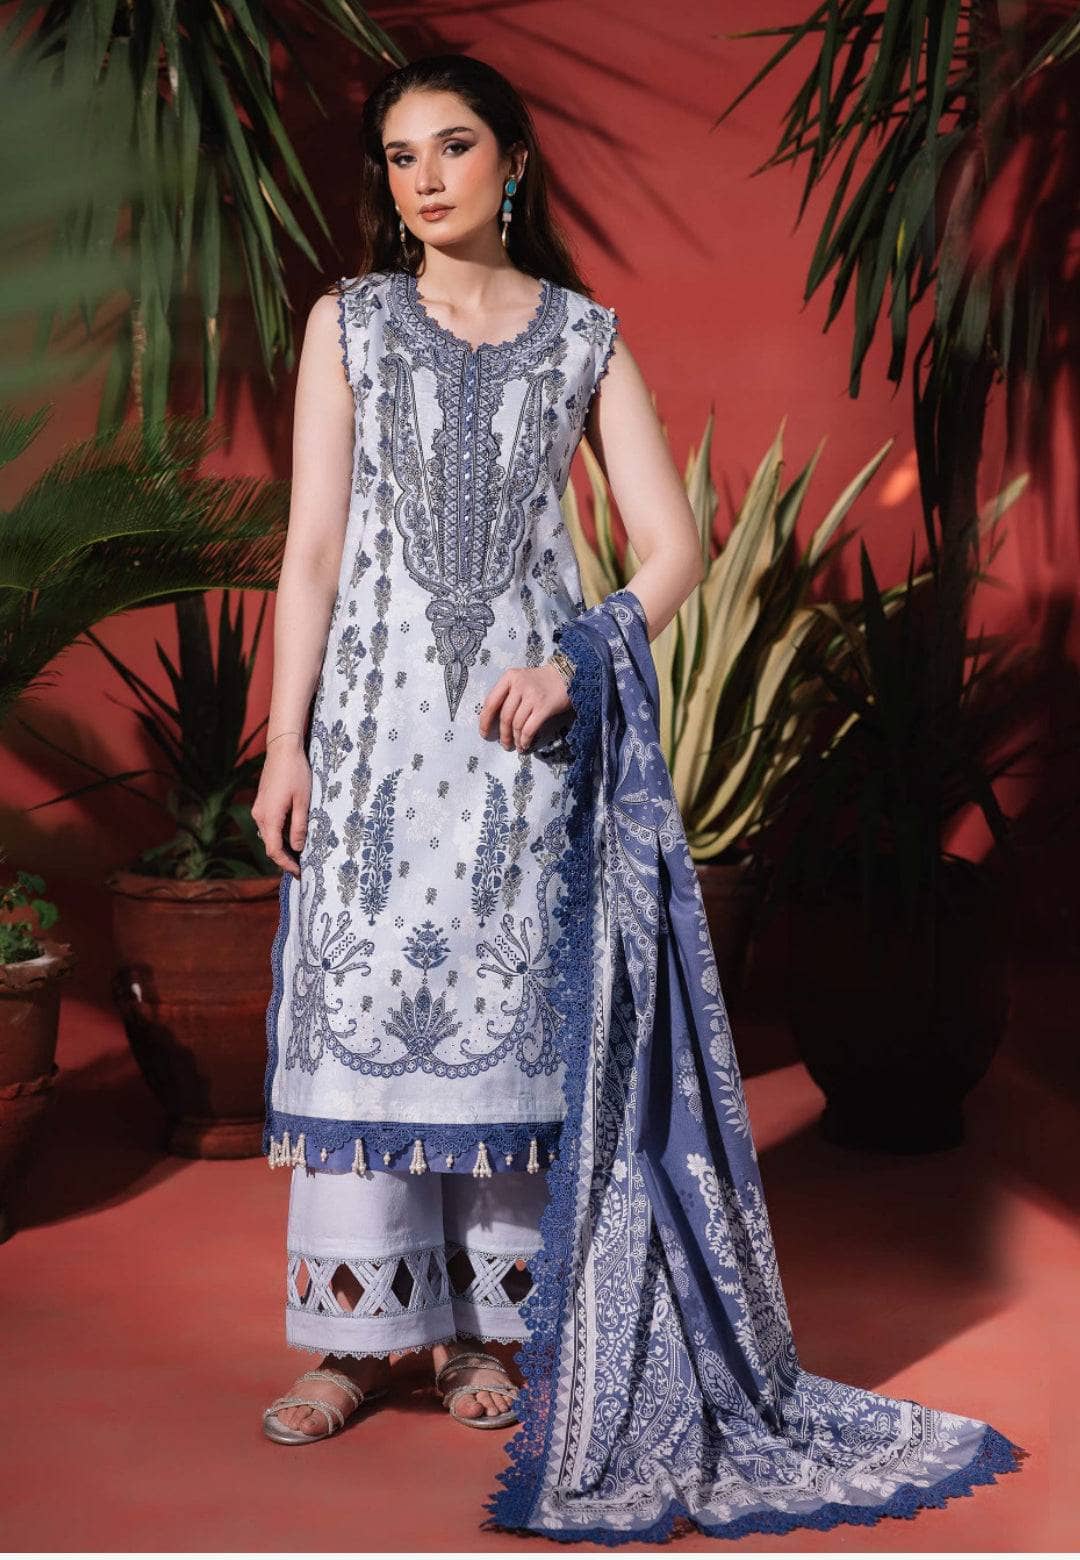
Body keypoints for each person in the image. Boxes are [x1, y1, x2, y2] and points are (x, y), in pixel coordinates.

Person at [253, 50, 1024, 1546]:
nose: (424, 178)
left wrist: (573, 662)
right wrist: (284, 743)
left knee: (505, 1027)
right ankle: (355, 1339)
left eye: (454, 145)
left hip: (523, 734)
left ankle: (482, 1330)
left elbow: (667, 548)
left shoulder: (582, 340)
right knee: (371, 1021)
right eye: (400, 156)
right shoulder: (346, 325)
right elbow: (308, 550)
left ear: (515, 159)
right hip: (371, 725)